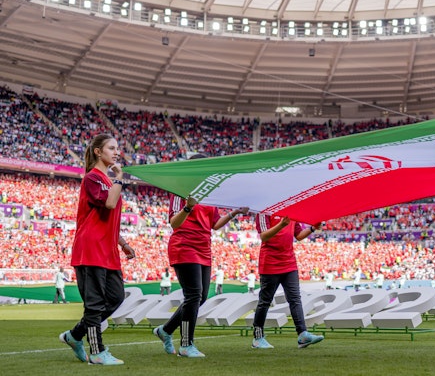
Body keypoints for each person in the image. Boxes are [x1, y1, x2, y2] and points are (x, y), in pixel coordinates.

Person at [152, 153, 249, 358]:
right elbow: (174, 223)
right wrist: (189, 206)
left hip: (204, 248)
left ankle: (166, 330)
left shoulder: (209, 194)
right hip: (184, 245)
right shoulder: (180, 190)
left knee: (201, 297)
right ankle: (186, 345)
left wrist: (234, 213)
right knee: (194, 295)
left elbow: (214, 224)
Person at [60, 133, 135, 365]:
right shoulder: (92, 178)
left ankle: (75, 335)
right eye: (111, 148)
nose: (116, 152)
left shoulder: (107, 180)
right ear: (98, 152)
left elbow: (107, 218)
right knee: (94, 304)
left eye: (117, 148)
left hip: (108, 250)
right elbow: (110, 203)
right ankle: (97, 351)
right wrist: (120, 179)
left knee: (116, 297)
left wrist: (122, 243)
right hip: (91, 248)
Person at [250, 215, 324, 350]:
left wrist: (312, 228)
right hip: (270, 262)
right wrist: (281, 225)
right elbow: (264, 236)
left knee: (295, 298)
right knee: (265, 301)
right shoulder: (264, 211)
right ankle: (257, 337)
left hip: (289, 262)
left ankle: (302, 335)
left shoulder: (290, 210)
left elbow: (299, 235)